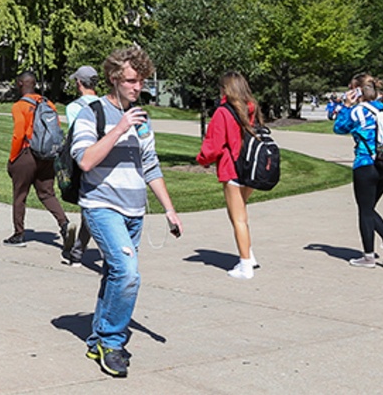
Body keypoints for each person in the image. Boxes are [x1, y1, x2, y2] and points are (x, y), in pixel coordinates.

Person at [71, 47, 183, 378]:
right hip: (102, 206)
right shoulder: (92, 113)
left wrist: (170, 210)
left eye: (141, 81)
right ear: (114, 78)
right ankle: (112, 342)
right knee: (128, 273)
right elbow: (86, 161)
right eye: (132, 81)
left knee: (116, 274)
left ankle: (97, 340)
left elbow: (150, 165)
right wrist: (119, 128)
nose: (138, 87)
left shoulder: (142, 119)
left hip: (135, 211)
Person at [332, 73, 383, 268]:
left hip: (365, 165)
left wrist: (346, 105)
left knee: (365, 210)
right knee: (369, 208)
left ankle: (369, 256)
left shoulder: (357, 111)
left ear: (357, 91)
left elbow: (339, 128)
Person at [196, 72, 261, 280]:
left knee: (238, 217)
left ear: (226, 89)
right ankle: (248, 254)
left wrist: (202, 159)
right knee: (240, 214)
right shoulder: (252, 107)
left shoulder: (223, 112)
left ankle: (245, 265)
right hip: (251, 167)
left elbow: (213, 144)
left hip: (232, 168)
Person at [4, 71, 73, 249]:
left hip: (27, 154)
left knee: (20, 195)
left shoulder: (19, 106)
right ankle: (64, 224)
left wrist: (13, 158)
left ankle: (19, 234)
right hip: (47, 155)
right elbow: (56, 129)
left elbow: (19, 134)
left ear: (20, 83)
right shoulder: (48, 103)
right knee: (47, 193)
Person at [63, 65, 101, 266]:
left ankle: (78, 251)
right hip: (106, 159)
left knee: (90, 206)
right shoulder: (106, 104)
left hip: (85, 160)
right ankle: (78, 250)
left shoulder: (74, 108)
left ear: (79, 83)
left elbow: (75, 137)